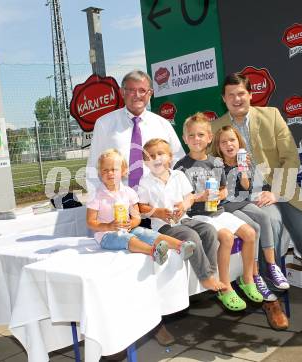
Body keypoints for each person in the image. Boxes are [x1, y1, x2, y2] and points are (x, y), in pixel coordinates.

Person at [211, 72, 302, 339]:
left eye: (241, 93)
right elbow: (213, 167)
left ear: (250, 95)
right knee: (266, 228)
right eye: (231, 95)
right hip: (248, 198)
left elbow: (290, 156)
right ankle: (270, 302)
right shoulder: (217, 127)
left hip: (283, 190)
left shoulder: (271, 115)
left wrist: (276, 191)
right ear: (223, 99)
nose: (237, 99)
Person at [86, 70, 186, 346]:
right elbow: (94, 166)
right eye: (131, 90)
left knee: (154, 264)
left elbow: (176, 160)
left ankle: (157, 323)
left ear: (150, 93)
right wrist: (102, 206)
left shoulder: (162, 124)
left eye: (143, 90)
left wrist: (170, 195)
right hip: (120, 210)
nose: (137, 95)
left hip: (152, 206)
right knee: (125, 268)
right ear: (122, 92)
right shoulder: (106, 124)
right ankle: (125, 325)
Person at [174, 113, 270, 315]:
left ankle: (247, 279)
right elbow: (184, 199)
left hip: (217, 211)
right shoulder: (180, 167)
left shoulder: (216, 163)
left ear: (209, 138)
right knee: (226, 237)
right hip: (197, 216)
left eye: (201, 134)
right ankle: (225, 287)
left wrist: (218, 194)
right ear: (184, 139)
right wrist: (201, 196)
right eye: (191, 136)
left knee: (251, 233)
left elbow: (226, 189)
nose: (196, 139)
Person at [212, 125, 290, 303]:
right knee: (253, 227)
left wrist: (242, 169)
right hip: (226, 205)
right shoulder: (217, 163)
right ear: (218, 146)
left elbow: (246, 187)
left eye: (232, 140)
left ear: (239, 142)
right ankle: (254, 275)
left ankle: (271, 266)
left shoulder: (244, 160)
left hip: (242, 201)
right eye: (223, 142)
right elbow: (223, 193)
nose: (228, 144)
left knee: (263, 217)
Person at [138, 138, 226, 292]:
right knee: (191, 236)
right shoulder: (145, 182)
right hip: (164, 226)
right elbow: (141, 207)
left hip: (184, 219)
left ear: (170, 157)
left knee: (209, 230)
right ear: (145, 162)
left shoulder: (178, 175)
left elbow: (190, 196)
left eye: (160, 154)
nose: (156, 158)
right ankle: (205, 277)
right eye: (150, 156)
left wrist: (184, 205)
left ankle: (211, 272)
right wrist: (157, 212)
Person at [86, 149, 196, 263]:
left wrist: (131, 224)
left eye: (114, 169)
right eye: (105, 170)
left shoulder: (129, 192)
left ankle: (181, 246)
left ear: (124, 171)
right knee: (126, 239)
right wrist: (108, 226)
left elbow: (137, 217)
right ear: (99, 173)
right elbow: (90, 222)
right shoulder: (96, 195)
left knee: (146, 233)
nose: (110, 173)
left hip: (127, 230)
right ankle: (153, 252)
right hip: (106, 236)